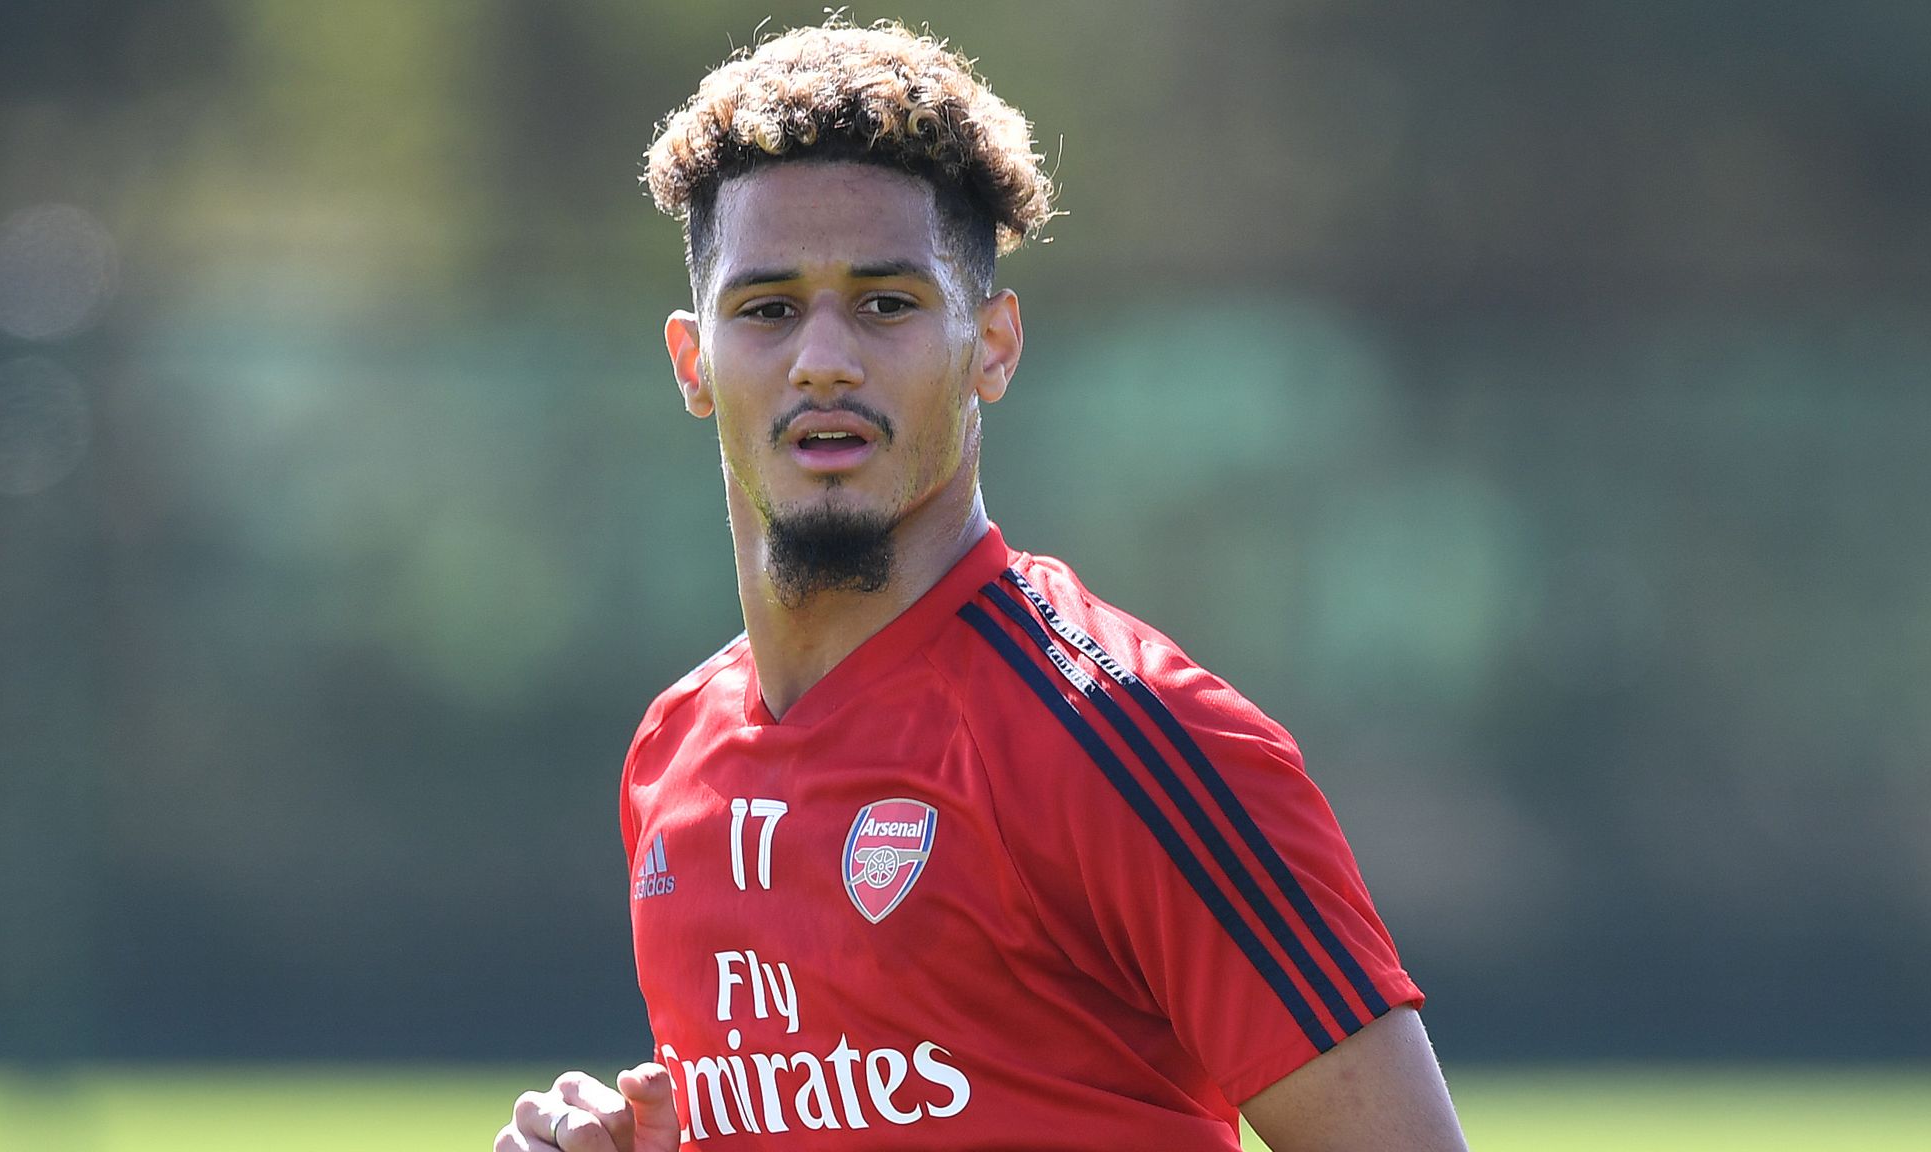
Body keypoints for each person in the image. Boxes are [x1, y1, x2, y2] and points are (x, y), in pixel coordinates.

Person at [498, 19, 1468, 1152]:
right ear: (691, 361)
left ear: (992, 345)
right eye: (766, 309)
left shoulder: (1124, 737)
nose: (824, 359)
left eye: (886, 303)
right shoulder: (672, 760)